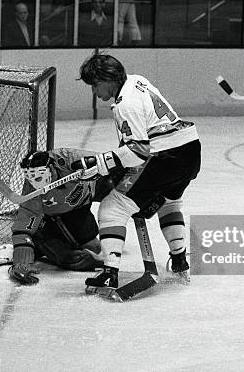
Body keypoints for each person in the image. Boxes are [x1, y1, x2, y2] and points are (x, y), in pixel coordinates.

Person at [74, 54, 201, 290]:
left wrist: (100, 163)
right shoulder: (137, 80)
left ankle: (110, 272)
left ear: (107, 79)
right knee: (169, 203)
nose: (94, 91)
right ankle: (180, 259)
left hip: (165, 156)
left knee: (113, 208)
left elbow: (138, 152)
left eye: (95, 84)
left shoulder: (125, 104)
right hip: (190, 150)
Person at [9, 147, 125, 285]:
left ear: (51, 168)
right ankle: (39, 244)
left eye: (39, 177)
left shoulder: (71, 158)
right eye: (30, 179)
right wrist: (21, 262)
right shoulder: (32, 190)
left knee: (94, 246)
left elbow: (113, 160)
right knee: (71, 256)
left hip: (82, 203)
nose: (35, 184)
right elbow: (23, 225)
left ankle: (44, 245)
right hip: (56, 216)